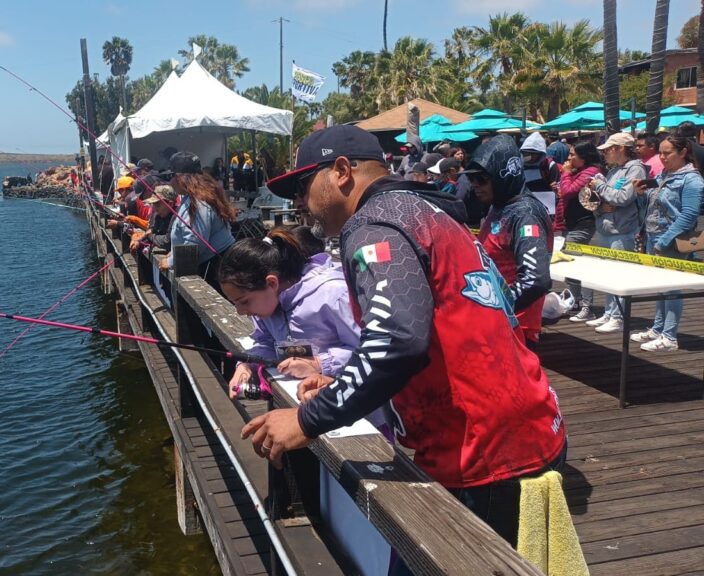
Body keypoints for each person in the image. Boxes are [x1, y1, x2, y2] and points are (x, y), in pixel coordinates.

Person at [244, 125, 566, 555]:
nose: (299, 203)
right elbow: (422, 332)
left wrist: (306, 420)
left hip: (485, 454)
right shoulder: (423, 208)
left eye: (304, 186)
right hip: (522, 429)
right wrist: (342, 384)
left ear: (342, 171)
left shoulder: (374, 224)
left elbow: (396, 339)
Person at [218, 228, 370, 402]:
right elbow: (266, 343)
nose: (240, 312)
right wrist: (247, 365)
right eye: (234, 303)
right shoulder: (266, 306)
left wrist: (319, 364)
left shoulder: (333, 293)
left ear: (271, 283)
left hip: (353, 402)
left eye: (244, 302)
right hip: (302, 401)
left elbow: (370, 349)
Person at [467, 135, 553, 348]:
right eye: (471, 179)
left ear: (504, 175)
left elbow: (536, 280)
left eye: (482, 179)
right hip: (496, 325)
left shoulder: (525, 213)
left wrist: (493, 307)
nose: (475, 186)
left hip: (515, 328)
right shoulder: (500, 205)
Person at [631, 134, 703, 351]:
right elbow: (653, 206)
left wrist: (663, 240)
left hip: (672, 240)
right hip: (655, 235)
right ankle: (658, 328)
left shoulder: (691, 179)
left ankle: (669, 337)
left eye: (667, 153)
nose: (661, 157)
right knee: (661, 288)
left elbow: (689, 215)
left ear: (683, 152)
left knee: (672, 289)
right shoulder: (664, 174)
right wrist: (641, 195)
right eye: (660, 152)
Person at [584, 132, 648, 335]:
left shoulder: (635, 169)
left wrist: (601, 186)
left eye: (608, 149)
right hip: (607, 228)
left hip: (622, 230)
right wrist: (603, 203)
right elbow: (606, 200)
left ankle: (618, 317)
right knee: (608, 274)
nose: (605, 154)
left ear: (620, 148)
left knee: (620, 275)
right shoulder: (615, 170)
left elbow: (622, 198)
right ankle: (610, 312)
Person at [160, 152, 237, 290]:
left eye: (171, 176)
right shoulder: (196, 196)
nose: (169, 182)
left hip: (213, 269)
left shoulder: (198, 202)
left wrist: (171, 261)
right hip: (216, 264)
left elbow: (195, 244)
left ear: (180, 178)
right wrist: (175, 251)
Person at [555, 142, 604, 322]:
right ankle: (575, 301)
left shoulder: (591, 172)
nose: (569, 159)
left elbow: (568, 191)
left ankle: (586, 306)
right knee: (570, 264)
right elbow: (566, 191)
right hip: (571, 223)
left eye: (573, 155)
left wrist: (565, 174)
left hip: (583, 224)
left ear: (584, 156)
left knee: (579, 266)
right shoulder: (579, 172)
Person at [130, 184, 176, 253]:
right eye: (153, 205)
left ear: (170, 204)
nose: (155, 209)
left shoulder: (176, 218)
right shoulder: (157, 216)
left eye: (158, 205)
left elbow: (167, 241)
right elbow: (152, 232)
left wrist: (150, 236)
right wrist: (139, 241)